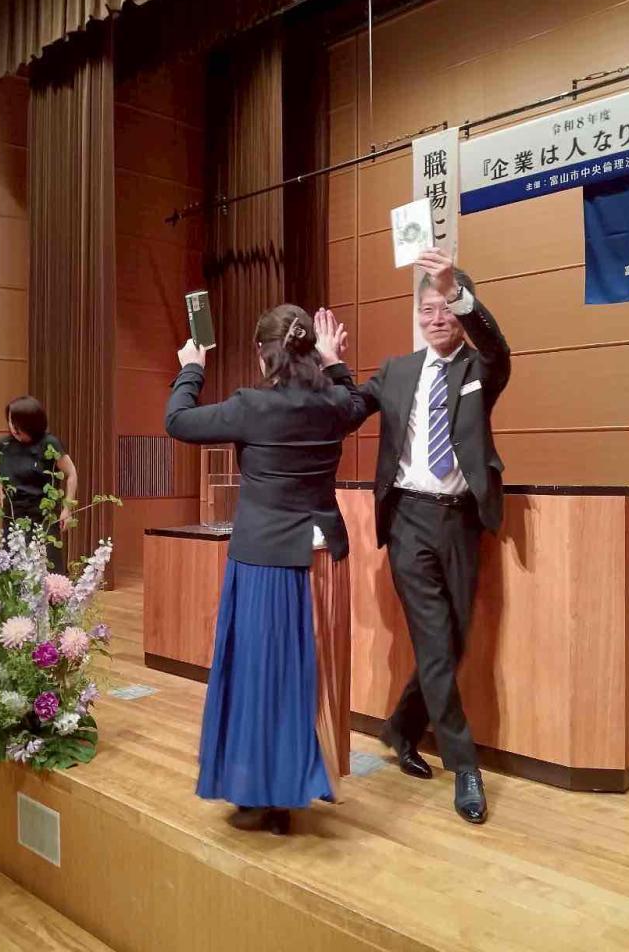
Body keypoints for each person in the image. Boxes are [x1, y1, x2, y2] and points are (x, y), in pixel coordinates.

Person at [316, 247, 511, 825]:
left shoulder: (480, 368)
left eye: (445, 306)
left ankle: (402, 728)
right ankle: (464, 765)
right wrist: (332, 363)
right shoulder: (398, 371)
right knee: (433, 641)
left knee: (454, 641)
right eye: (427, 308)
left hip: (462, 520)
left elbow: (498, 347)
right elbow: (351, 408)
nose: (436, 318)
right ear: (417, 316)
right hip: (407, 520)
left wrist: (456, 290)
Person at [165, 304, 354, 835]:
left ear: (262, 353)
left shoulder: (251, 406)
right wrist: (335, 363)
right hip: (317, 558)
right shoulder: (335, 403)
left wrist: (192, 367)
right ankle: (289, 789)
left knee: (256, 676)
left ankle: (260, 793)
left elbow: (177, 420)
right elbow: (358, 400)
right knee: (299, 679)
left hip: (263, 559)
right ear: (310, 349)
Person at [0, 396, 77, 574]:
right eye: (10, 422)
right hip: (13, 516)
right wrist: (2, 500)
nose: (13, 428)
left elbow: (71, 474)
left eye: (17, 423)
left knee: (47, 567)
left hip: (43, 515)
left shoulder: (49, 444)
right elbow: (0, 476)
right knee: (12, 568)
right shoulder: (4, 445)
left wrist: (67, 509)